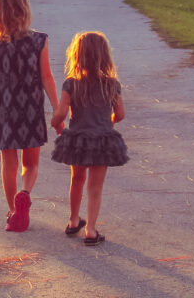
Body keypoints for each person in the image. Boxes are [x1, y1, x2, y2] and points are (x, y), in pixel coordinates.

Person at [0, 0, 59, 232]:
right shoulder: (39, 41)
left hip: (4, 112)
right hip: (31, 111)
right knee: (31, 164)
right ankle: (25, 192)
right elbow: (47, 78)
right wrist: (58, 110)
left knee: (9, 165)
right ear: (24, 11)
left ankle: (13, 211)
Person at [50, 31, 128, 246]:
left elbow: (61, 113)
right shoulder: (111, 85)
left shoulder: (71, 84)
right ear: (105, 57)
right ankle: (91, 230)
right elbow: (120, 114)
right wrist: (110, 120)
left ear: (77, 56)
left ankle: (74, 220)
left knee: (77, 179)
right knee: (95, 187)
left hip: (78, 141)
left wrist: (56, 123)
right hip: (102, 141)